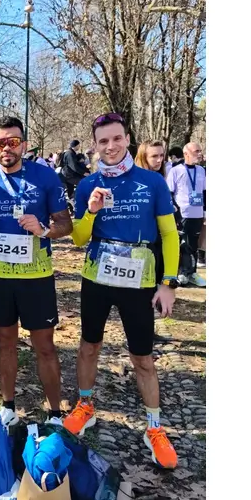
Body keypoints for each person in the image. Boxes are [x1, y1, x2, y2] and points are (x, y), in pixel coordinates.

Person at [60, 112, 181, 469]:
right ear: (95, 146)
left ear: (128, 139)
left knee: (142, 357)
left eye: (116, 138)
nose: (110, 146)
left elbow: (169, 235)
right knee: (89, 345)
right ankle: (85, 405)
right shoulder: (88, 184)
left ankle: (154, 427)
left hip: (138, 281)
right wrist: (91, 211)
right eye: (103, 141)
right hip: (97, 276)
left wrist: (168, 283)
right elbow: (79, 238)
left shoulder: (151, 182)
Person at [0, 116, 73, 427]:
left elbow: (66, 224)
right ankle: (7, 407)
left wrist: (43, 229)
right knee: (5, 342)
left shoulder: (45, 176)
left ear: (24, 145)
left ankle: (54, 413)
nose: (7, 148)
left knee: (45, 346)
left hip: (35, 277)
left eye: (13, 142)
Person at [165, 142, 206, 287]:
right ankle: (181, 272)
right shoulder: (175, 170)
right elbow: (169, 193)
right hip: (183, 213)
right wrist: (175, 211)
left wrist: (205, 211)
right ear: (186, 153)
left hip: (198, 213)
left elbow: (204, 192)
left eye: (200, 151)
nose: (200, 154)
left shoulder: (201, 170)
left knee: (194, 244)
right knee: (183, 244)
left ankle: (192, 273)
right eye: (196, 151)